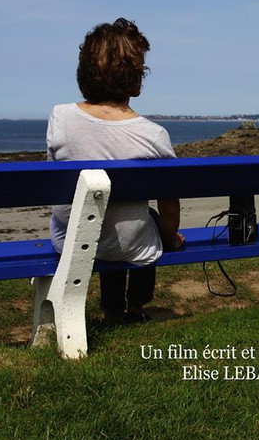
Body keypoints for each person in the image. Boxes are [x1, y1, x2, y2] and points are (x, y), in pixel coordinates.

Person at [46, 17, 185, 323]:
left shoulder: (60, 118)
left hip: (71, 242)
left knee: (100, 213)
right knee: (146, 220)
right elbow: (169, 204)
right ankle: (136, 306)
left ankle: (111, 309)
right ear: (136, 79)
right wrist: (170, 238)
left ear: (85, 72)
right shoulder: (153, 135)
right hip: (129, 246)